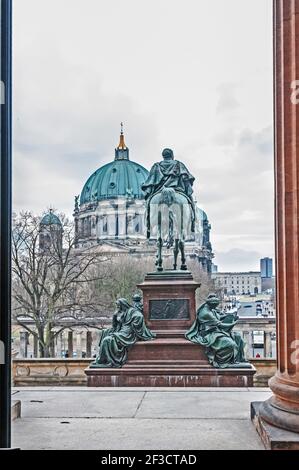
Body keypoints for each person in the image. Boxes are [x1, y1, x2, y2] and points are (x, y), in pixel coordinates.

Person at [185, 293, 247, 368]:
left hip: (215, 331)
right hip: (208, 334)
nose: (216, 308)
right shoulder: (206, 313)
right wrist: (233, 323)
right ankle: (224, 362)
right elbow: (220, 324)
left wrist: (230, 315)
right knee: (231, 344)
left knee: (238, 337)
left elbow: (219, 317)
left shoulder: (210, 309)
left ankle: (238, 359)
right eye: (215, 306)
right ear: (211, 305)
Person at [91, 298, 155, 368]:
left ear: (123, 305)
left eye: (119, 306)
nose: (118, 308)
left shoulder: (132, 311)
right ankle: (104, 359)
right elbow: (115, 326)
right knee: (103, 333)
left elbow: (139, 315)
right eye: (117, 306)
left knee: (107, 340)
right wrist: (114, 316)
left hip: (128, 334)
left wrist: (133, 321)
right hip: (121, 331)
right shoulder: (121, 312)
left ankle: (104, 360)